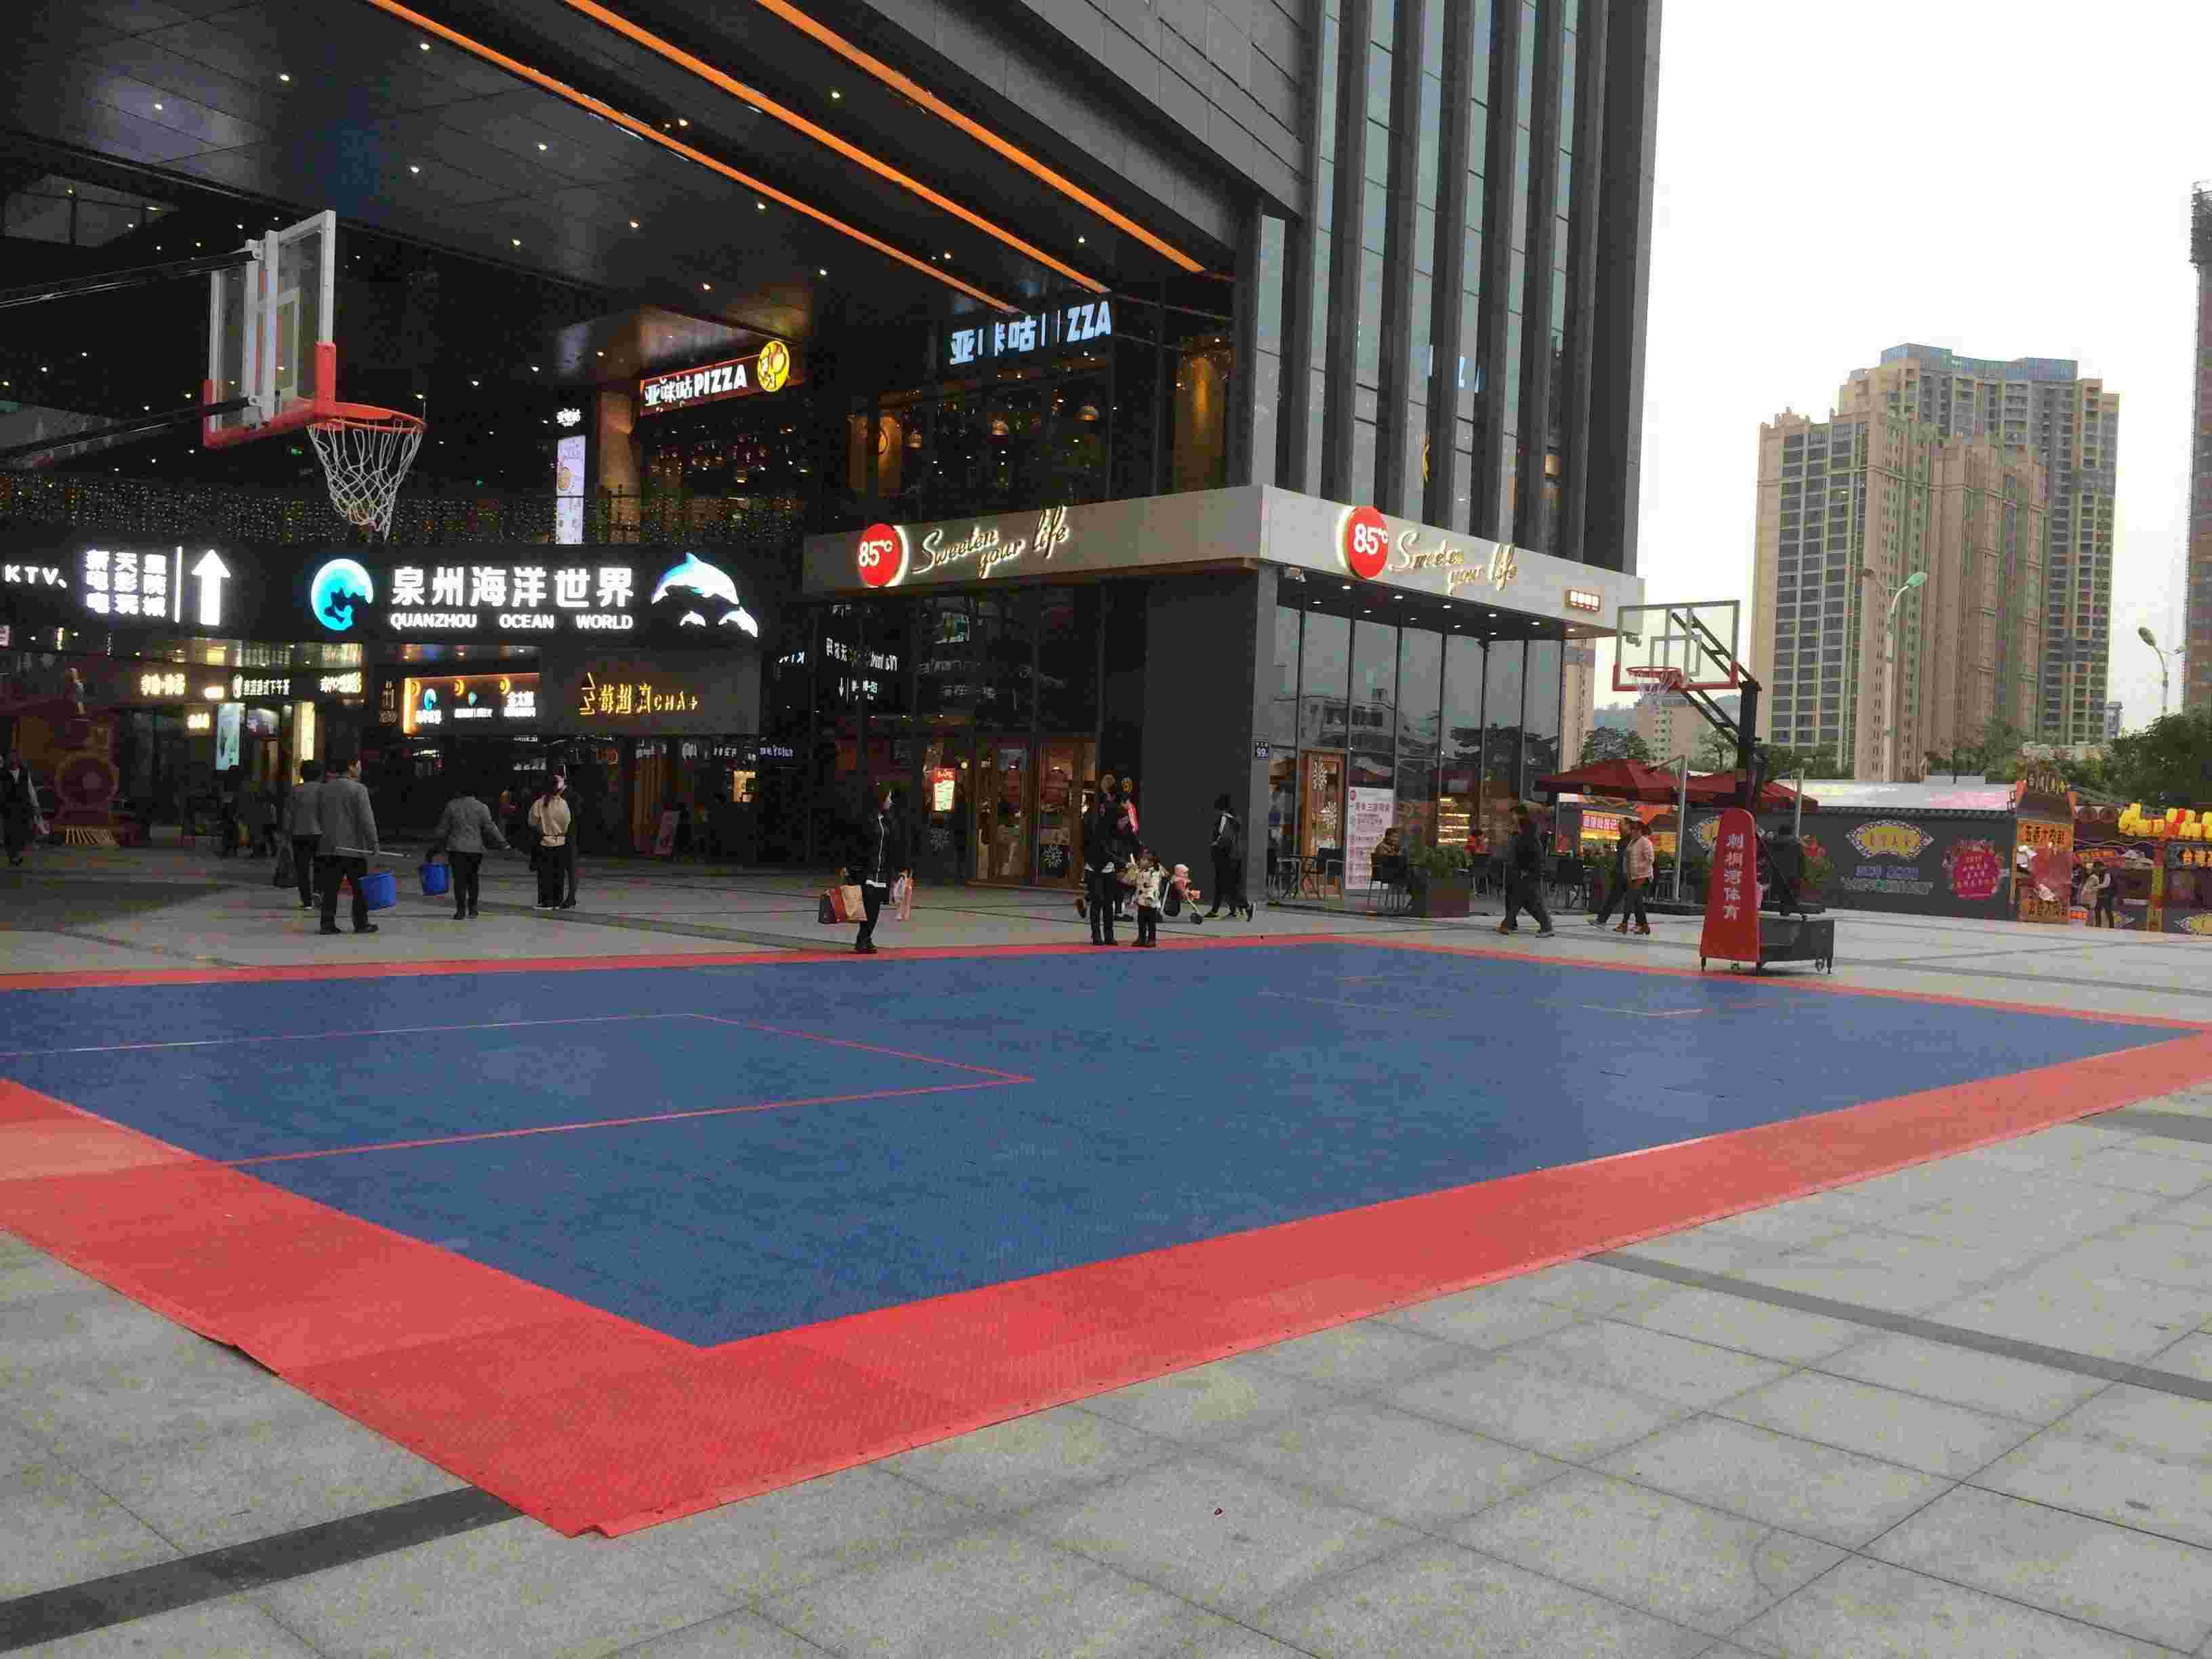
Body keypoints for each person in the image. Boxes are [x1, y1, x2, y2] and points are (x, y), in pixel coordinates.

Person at [314, 756, 380, 936]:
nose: (360, 769)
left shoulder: (323, 789)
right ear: (350, 768)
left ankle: (327, 924)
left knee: (330, 888)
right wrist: (373, 843)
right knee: (359, 889)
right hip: (354, 849)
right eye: (358, 766)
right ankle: (361, 923)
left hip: (329, 847)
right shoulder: (358, 789)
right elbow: (367, 819)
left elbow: (318, 816)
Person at [430, 786, 508, 920]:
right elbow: (490, 826)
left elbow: (443, 829)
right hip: (475, 849)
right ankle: (473, 909)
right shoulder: (482, 807)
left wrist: (436, 843)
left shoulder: (452, 806)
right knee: (473, 878)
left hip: (456, 849)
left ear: (460, 792)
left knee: (459, 880)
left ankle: (460, 911)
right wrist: (502, 842)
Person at [851, 784, 910, 954]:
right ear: (880, 799)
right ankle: (862, 939)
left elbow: (895, 846)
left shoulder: (888, 820)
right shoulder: (865, 820)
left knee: (875, 907)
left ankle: (866, 937)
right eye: (888, 797)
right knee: (868, 906)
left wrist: (901, 868)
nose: (890, 801)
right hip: (867, 871)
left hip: (882, 872)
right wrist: (850, 867)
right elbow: (855, 845)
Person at [1498, 806, 1555, 937]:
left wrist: (1525, 870)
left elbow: (1529, 856)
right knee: (1526, 901)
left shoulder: (1529, 839)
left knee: (1521, 899)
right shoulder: (1528, 837)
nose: (1513, 819)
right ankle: (1510, 925)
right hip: (1526, 873)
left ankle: (1508, 925)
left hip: (1527, 873)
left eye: (1514, 815)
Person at [1082, 781, 1121, 946]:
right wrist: (1120, 862)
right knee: (1097, 901)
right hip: (1094, 864)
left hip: (1108, 865)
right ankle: (1096, 933)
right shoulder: (1089, 817)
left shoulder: (1112, 815)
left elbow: (1118, 837)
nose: (1106, 805)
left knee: (1108, 903)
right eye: (1104, 802)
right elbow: (1091, 843)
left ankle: (1109, 934)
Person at [527, 773, 573, 912]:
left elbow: (532, 822)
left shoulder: (539, 803)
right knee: (559, 874)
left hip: (545, 842)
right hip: (561, 841)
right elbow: (567, 822)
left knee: (545, 874)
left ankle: (546, 902)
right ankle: (557, 901)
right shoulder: (563, 803)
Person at [281, 760, 324, 909]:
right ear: (319, 775)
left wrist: (286, 835)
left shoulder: (295, 791)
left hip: (299, 834)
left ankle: (306, 901)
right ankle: (318, 892)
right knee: (321, 866)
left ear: (302, 774)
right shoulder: (324, 790)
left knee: (302, 868)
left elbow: (288, 814)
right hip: (320, 835)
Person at [1206, 793, 1253, 920]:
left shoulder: (1224, 818)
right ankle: (1225, 911)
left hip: (1225, 856)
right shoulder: (1236, 817)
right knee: (1228, 883)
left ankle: (1246, 907)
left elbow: (1224, 837)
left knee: (1225, 884)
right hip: (1235, 856)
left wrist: (1215, 844)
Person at [1589, 822, 1634, 928]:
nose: (1619, 827)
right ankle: (1601, 920)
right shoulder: (1623, 841)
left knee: (1635, 900)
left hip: (1629, 875)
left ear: (1628, 827)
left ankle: (1638, 924)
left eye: (1622, 825)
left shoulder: (1632, 841)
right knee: (1612, 899)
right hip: (1621, 875)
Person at [1, 750, 41, 867]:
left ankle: (16, 855)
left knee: (21, 832)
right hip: (7, 808)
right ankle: (13, 856)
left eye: (15, 757)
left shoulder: (24, 772)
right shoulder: (2, 773)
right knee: (9, 833)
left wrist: (36, 805)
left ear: (18, 759)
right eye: (10, 757)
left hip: (23, 807)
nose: (13, 759)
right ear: (7, 760)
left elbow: (30, 789)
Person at [1616, 821, 1654, 936]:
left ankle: (1624, 923)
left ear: (1639, 831)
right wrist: (1627, 872)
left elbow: (1650, 859)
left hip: (1643, 876)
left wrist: (1638, 868)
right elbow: (1627, 858)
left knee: (1630, 898)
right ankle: (1645, 926)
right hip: (1632, 876)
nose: (1632, 832)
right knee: (1638, 902)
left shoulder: (1645, 842)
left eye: (1634, 830)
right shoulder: (1632, 842)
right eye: (1631, 830)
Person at [1765, 824, 1807, 918]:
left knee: (1782, 897)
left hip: (1777, 874)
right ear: (1791, 832)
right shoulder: (1796, 844)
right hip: (1793, 875)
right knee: (1789, 897)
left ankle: (1784, 914)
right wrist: (1802, 875)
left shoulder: (1772, 843)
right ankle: (1786, 915)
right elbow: (1802, 862)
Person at [1130, 846, 1164, 947]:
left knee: (1151, 921)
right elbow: (1134, 881)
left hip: (1151, 901)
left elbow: (1154, 886)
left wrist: (1150, 897)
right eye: (1141, 859)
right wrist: (1132, 870)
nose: (1141, 861)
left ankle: (1152, 939)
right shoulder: (1140, 871)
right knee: (1141, 920)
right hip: (1141, 900)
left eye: (1144, 859)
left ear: (1151, 863)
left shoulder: (1154, 873)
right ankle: (1141, 938)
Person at [237, 777, 272, 858]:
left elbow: (247, 803)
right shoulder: (254, 791)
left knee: (257, 835)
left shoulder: (251, 791)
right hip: (256, 815)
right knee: (257, 835)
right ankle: (260, 851)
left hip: (254, 816)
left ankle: (258, 852)